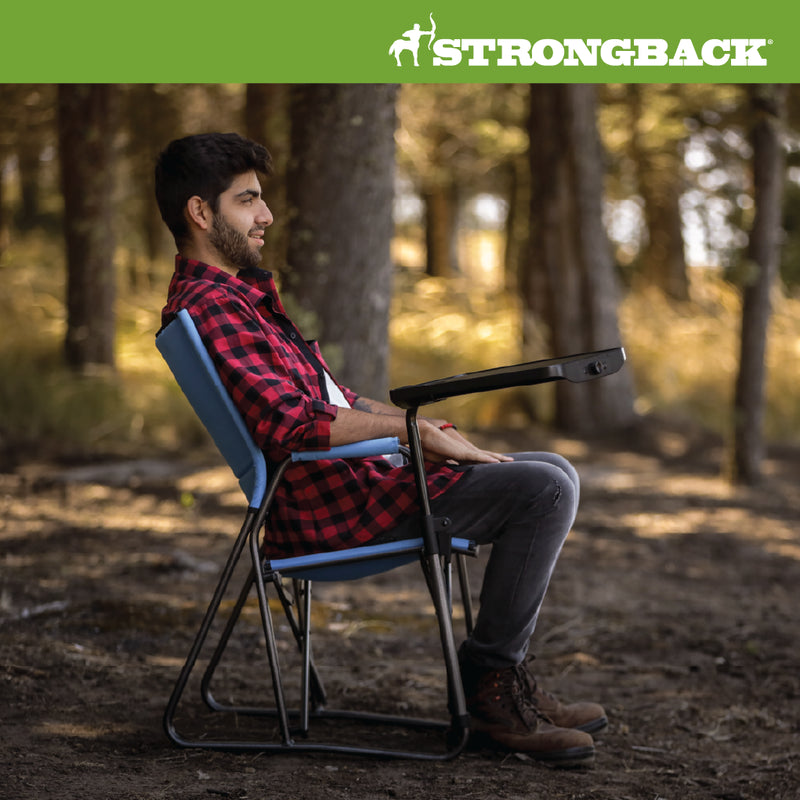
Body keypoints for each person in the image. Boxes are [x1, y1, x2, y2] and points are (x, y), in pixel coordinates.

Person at [155, 132, 606, 768]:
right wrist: (408, 433)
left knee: (550, 468)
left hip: (347, 483)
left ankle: (498, 680)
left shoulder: (241, 298)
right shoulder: (213, 306)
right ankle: (491, 690)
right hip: (328, 506)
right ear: (201, 213)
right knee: (547, 488)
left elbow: (333, 396)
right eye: (248, 201)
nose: (266, 215)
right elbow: (290, 426)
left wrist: (425, 425)